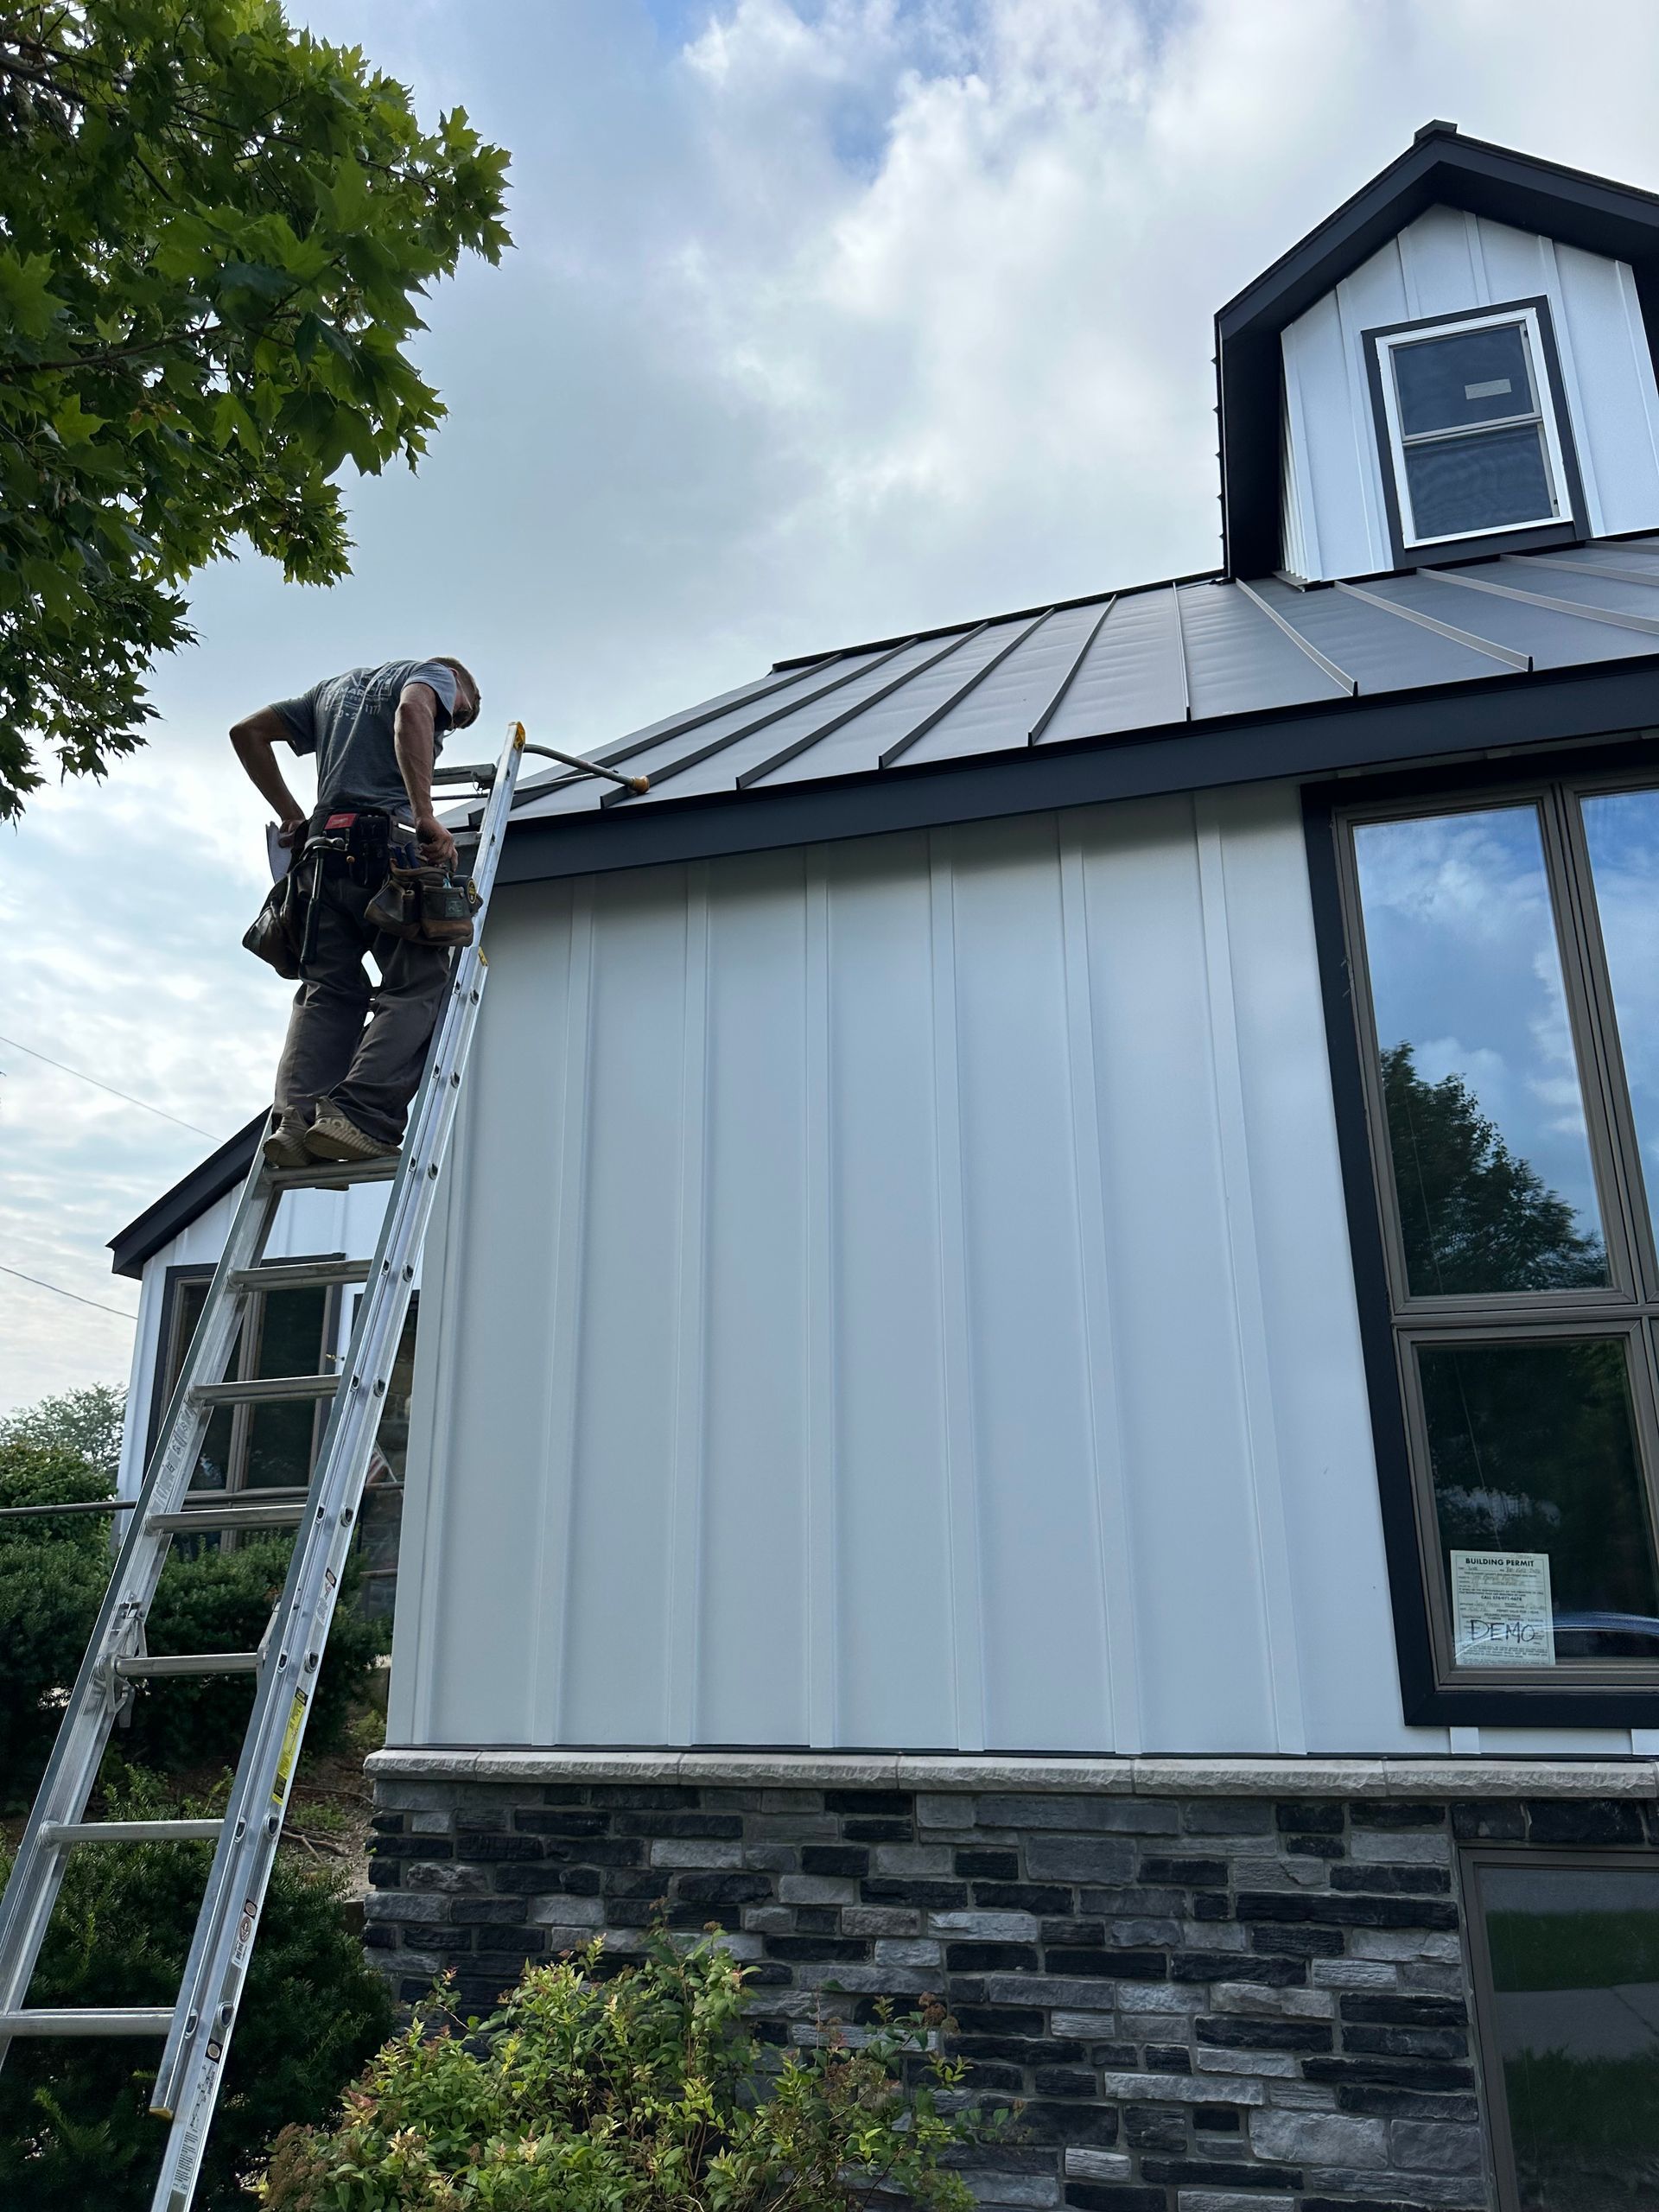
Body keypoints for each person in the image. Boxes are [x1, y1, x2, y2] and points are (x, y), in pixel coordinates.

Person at [231, 658, 482, 1169]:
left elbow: (247, 733)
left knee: (328, 993)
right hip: (388, 849)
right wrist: (426, 814)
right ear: (459, 685)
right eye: (458, 718)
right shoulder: (430, 677)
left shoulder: (327, 692)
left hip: (321, 859)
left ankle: (295, 1124)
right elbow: (412, 711)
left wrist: (292, 814)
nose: (448, 727)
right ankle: (359, 1117)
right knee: (417, 984)